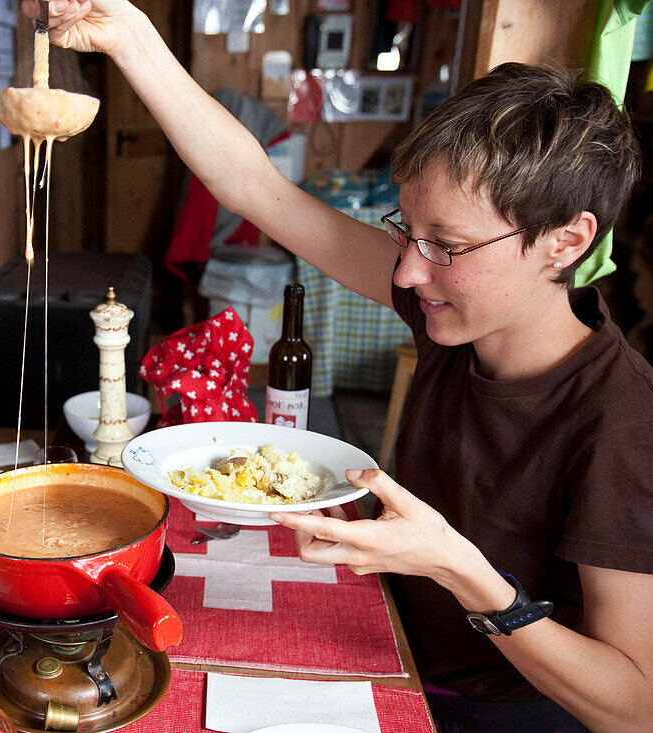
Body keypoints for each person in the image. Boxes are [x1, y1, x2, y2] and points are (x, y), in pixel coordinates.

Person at [35, 2, 653, 731]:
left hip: (502, 710)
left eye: (446, 244)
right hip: (389, 637)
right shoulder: (452, 316)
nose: (412, 273)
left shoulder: (624, 419)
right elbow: (256, 189)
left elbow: (633, 702)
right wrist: (131, 35)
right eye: (407, 233)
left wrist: (458, 567)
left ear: (565, 240)